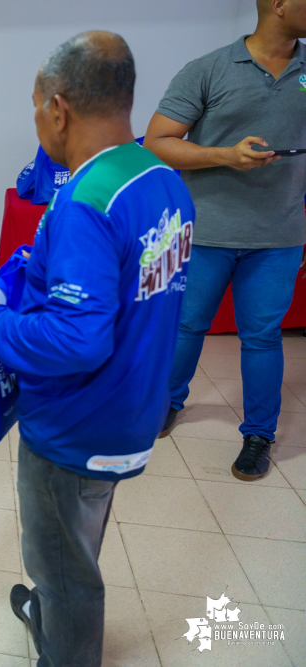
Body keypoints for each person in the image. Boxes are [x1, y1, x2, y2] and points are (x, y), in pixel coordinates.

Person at [0, 33, 195, 665]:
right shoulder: (160, 178)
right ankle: (55, 616)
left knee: (63, 567)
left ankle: (65, 648)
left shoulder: (85, 200)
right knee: (81, 539)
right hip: (133, 410)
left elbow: (77, 339)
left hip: (75, 427)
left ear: (57, 108)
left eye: (36, 109)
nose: (37, 121)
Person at [145, 0, 306, 481]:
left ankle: (259, 434)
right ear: (279, 4)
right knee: (187, 325)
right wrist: (224, 155)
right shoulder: (208, 69)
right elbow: (158, 142)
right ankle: (166, 404)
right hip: (207, 232)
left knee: (262, 337)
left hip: (278, 235)